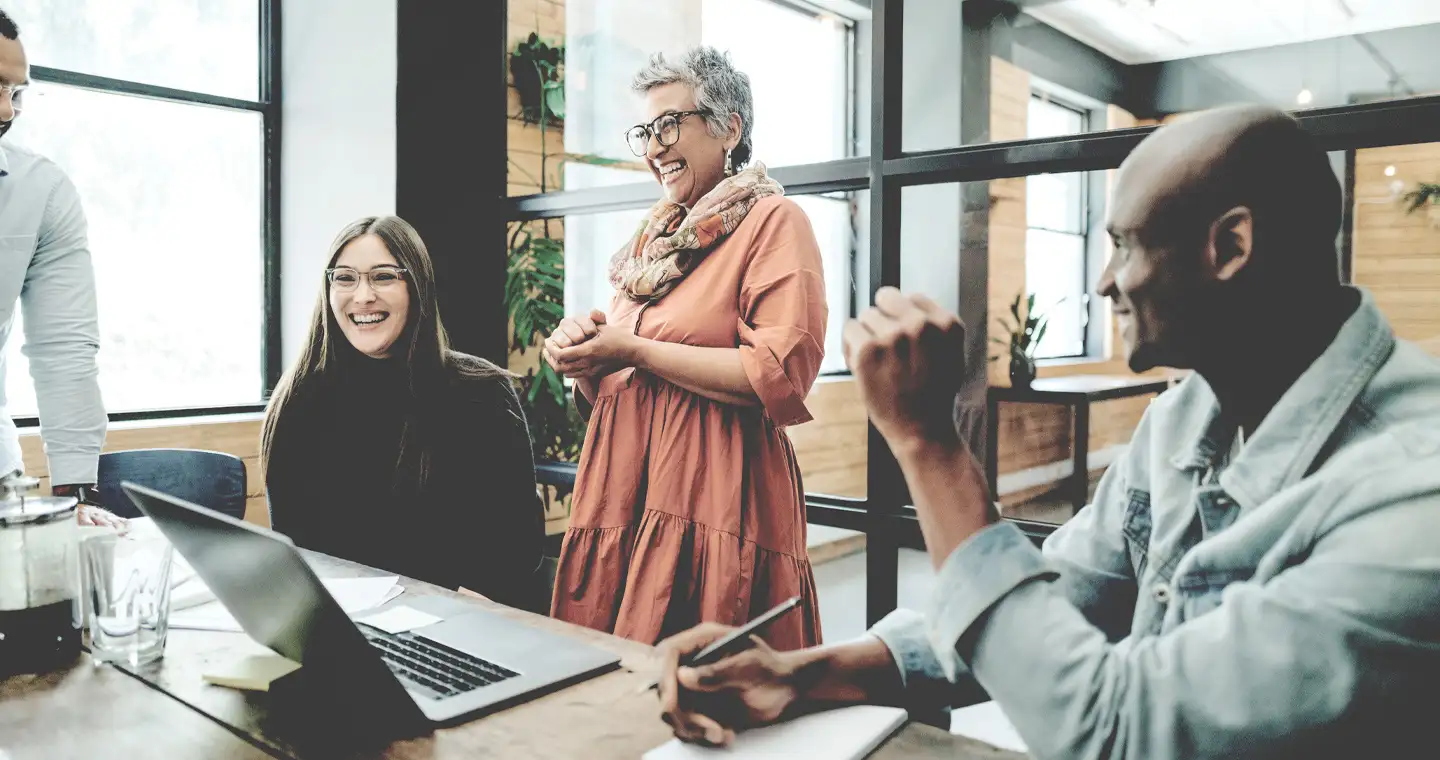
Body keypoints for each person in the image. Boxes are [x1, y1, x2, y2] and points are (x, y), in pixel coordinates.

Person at [653, 105, 1440, 757]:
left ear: (1230, 247)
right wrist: (801, 673)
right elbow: (1052, 603)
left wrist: (928, 446)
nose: (1103, 283)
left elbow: (1116, 730)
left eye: (1123, 245)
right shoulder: (1185, 417)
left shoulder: (1412, 500)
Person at [544, 47, 827, 649]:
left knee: (708, 695)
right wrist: (586, 360)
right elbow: (617, 394)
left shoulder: (774, 222)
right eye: (646, 131)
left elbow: (775, 375)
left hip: (716, 498)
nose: (653, 147)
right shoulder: (649, 246)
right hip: (622, 493)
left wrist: (635, 350)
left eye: (670, 123)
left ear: (729, 128)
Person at [261, 216, 545, 612]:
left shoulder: (482, 393)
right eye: (345, 278)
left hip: (459, 624)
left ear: (417, 287)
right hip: (343, 626)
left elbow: (515, 552)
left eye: (383, 277)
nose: (362, 296)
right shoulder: (299, 400)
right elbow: (300, 552)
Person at [0, 9, 121, 528]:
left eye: (16, 92)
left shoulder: (40, 192)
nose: (7, 110)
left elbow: (64, 351)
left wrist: (74, 498)